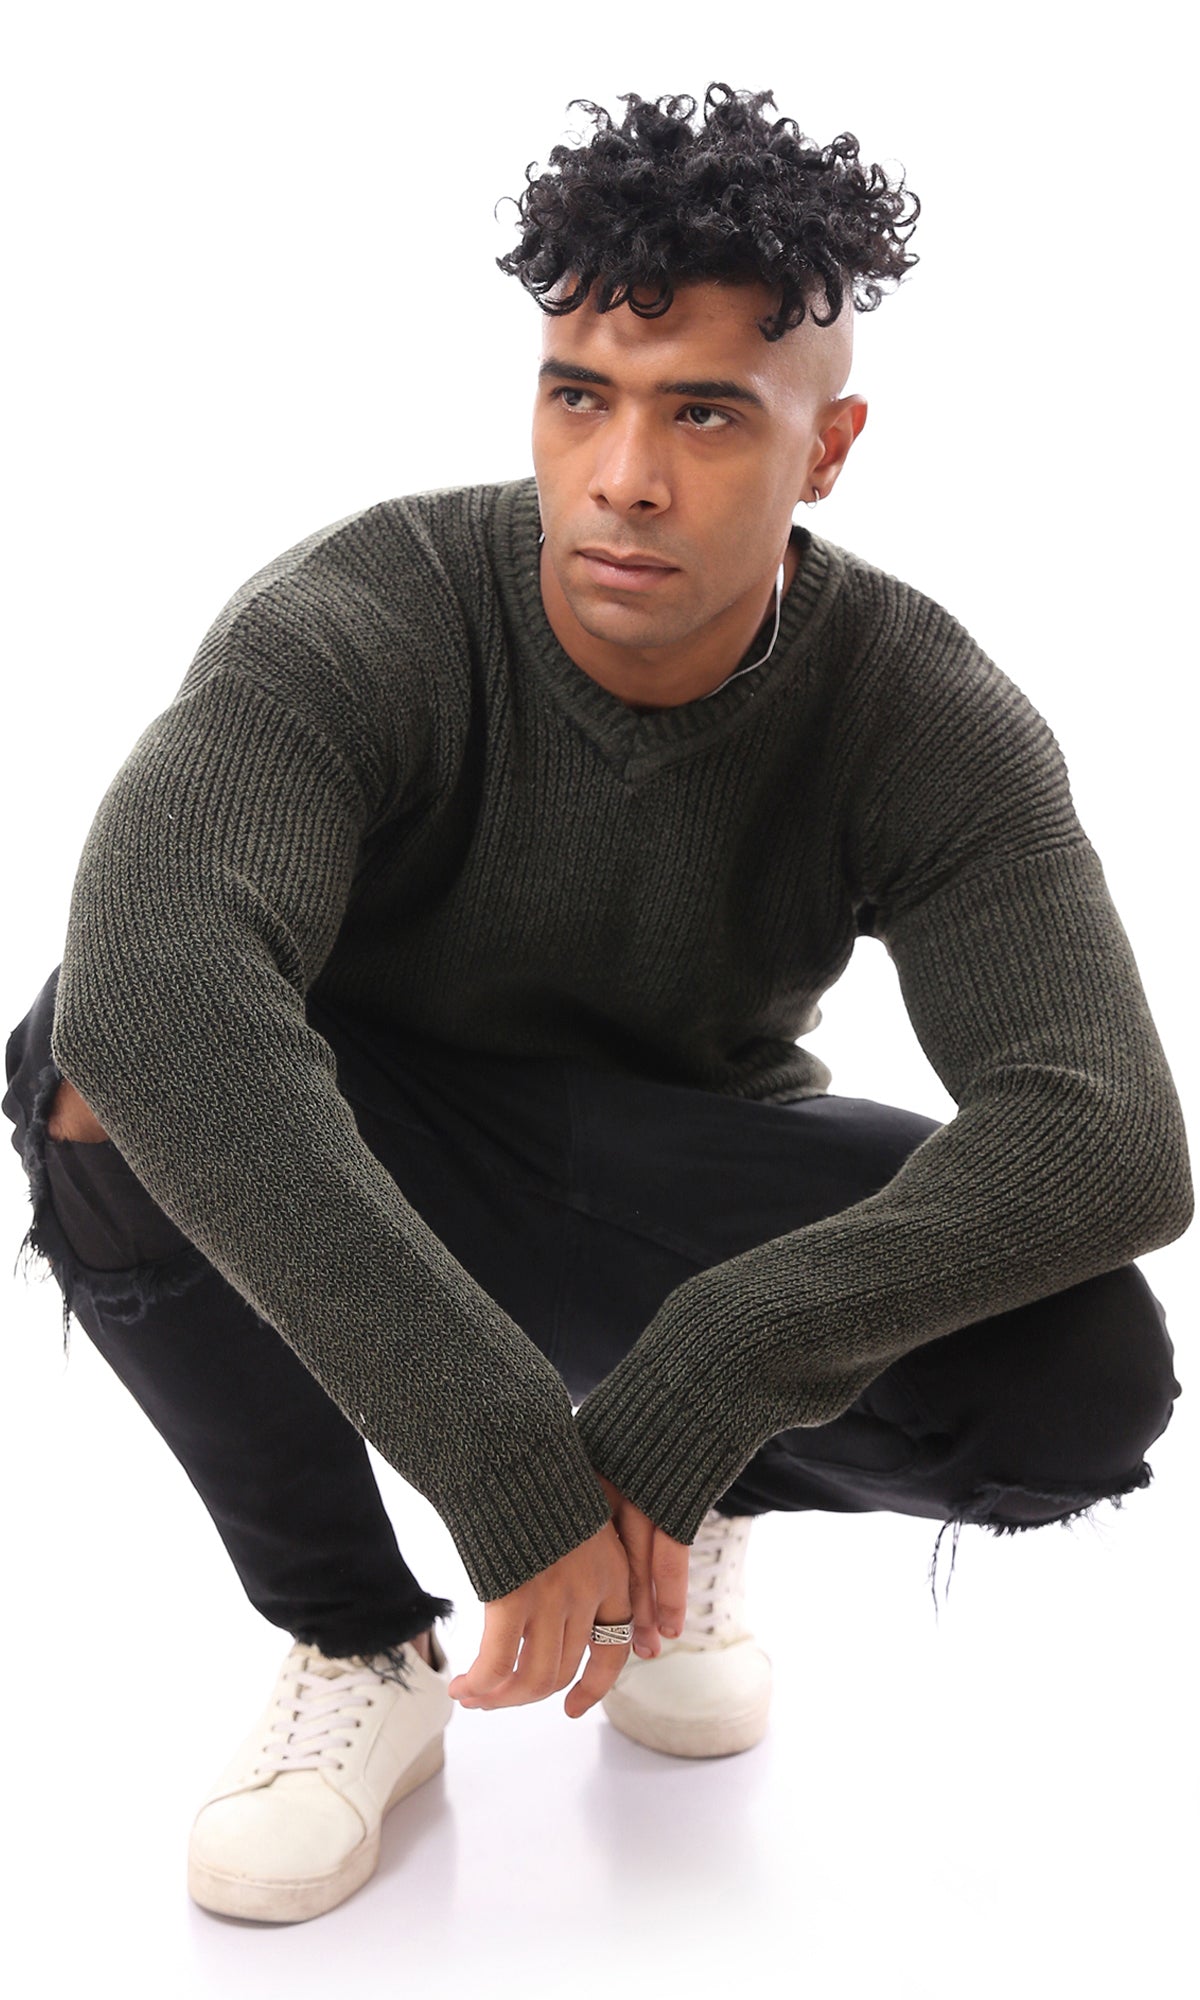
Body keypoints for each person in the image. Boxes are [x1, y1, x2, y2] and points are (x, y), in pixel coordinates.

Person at [4, 82, 1190, 1924]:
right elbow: (157, 989)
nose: (625, 475)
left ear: (828, 447)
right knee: (88, 1061)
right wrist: (501, 1460)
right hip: (383, 1136)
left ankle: (688, 1509)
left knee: (1082, 1370)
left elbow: (1109, 1136)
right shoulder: (373, 609)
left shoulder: (922, 710)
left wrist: (704, 1383)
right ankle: (355, 1642)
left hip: (671, 1176)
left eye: (706, 413)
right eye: (582, 397)